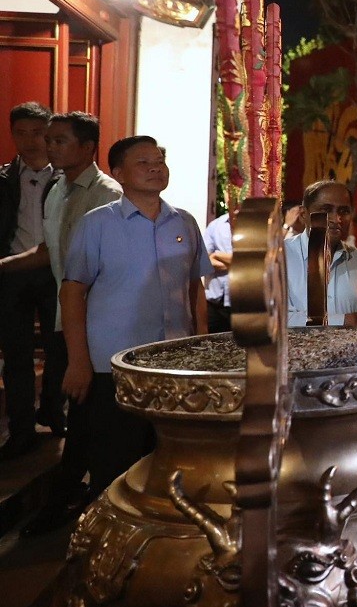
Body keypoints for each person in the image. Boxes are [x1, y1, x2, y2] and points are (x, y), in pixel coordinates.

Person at [62, 135, 211, 495]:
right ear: (119, 173)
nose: (155, 167)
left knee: (168, 463)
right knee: (115, 466)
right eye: (143, 162)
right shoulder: (97, 223)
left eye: (159, 160)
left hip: (173, 363)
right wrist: (78, 360)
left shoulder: (184, 223)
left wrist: (203, 345)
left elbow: (195, 288)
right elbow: (72, 292)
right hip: (115, 367)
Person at [17, 111, 122, 536]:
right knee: (78, 413)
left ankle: (77, 505)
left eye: (60, 140)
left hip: (96, 322)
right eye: (49, 139)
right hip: (68, 319)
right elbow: (51, 251)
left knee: (88, 416)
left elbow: (99, 271)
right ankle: (77, 501)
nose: (49, 146)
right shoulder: (57, 189)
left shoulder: (106, 195)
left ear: (87, 147)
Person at [0, 101, 56, 459]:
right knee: (16, 354)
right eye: (21, 133)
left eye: (37, 132)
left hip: (56, 273)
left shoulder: (67, 177)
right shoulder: (4, 177)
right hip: (11, 272)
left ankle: (53, 414)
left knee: (60, 350)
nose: (29, 140)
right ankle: (20, 429)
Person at [286, 180, 357, 327]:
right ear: (303, 214)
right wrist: (346, 320)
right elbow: (274, 318)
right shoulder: (281, 256)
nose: (336, 219)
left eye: (344, 211)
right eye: (326, 210)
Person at [203, 212, 233, 333]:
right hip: (214, 302)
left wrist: (218, 255)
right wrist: (240, 263)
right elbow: (205, 260)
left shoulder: (255, 226)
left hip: (243, 301)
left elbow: (259, 261)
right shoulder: (215, 226)